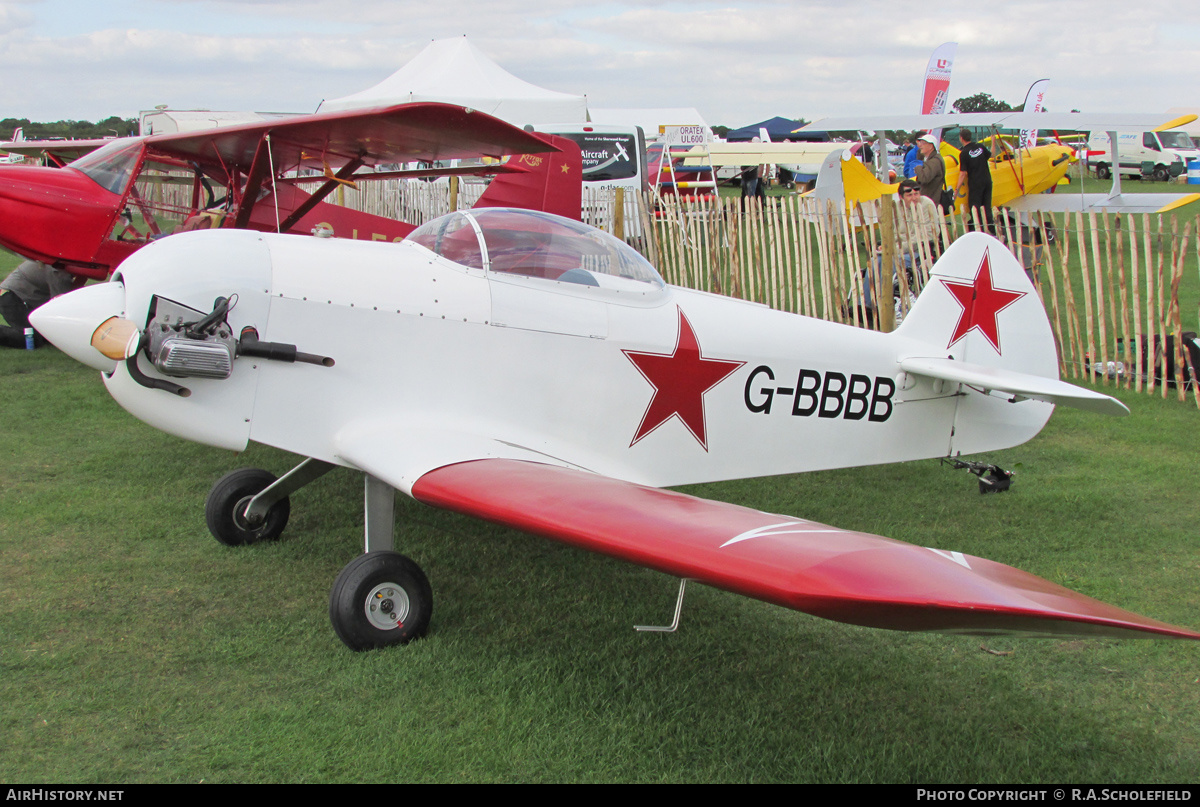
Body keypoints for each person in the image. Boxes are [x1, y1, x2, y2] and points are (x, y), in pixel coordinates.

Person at [863, 179, 941, 314]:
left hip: (919, 251)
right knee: (875, 260)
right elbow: (891, 232)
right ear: (901, 197)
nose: (914, 198)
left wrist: (894, 249)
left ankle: (883, 304)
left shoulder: (927, 204)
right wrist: (886, 245)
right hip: (897, 250)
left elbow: (927, 236)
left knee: (890, 262)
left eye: (916, 194)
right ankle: (866, 304)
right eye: (909, 195)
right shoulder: (895, 207)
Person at [0, 260, 79, 348]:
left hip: (20, 297)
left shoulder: (55, 262)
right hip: (11, 298)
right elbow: (60, 304)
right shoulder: (57, 270)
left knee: (44, 336)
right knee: (31, 339)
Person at [955, 128, 994, 232]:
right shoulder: (980, 147)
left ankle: (977, 230)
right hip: (987, 181)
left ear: (961, 138)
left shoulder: (963, 153)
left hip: (976, 183)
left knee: (974, 209)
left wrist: (957, 189)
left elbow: (962, 173)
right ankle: (993, 230)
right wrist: (993, 142)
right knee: (987, 207)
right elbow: (992, 155)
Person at [913, 133, 946, 207]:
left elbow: (924, 178)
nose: (920, 145)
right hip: (930, 201)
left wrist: (918, 168)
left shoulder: (934, 161)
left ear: (931, 146)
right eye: (920, 142)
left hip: (930, 202)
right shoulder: (931, 160)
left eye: (923, 143)